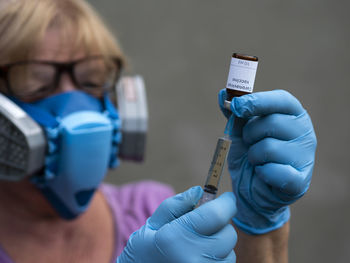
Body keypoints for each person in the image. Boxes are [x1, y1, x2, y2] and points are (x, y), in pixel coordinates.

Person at [0, 0, 317, 263]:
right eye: (37, 83)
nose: (77, 107)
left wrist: (260, 225)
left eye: (92, 81)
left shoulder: (153, 212)